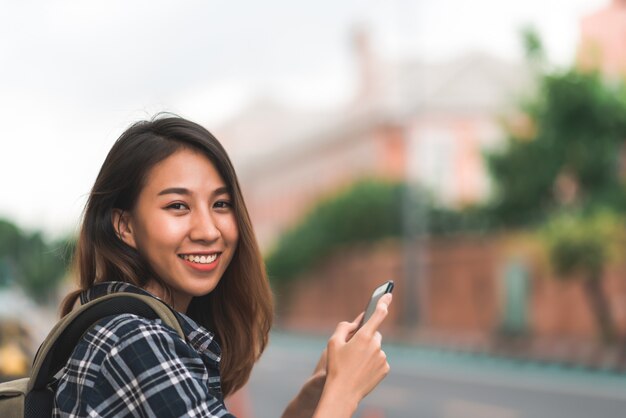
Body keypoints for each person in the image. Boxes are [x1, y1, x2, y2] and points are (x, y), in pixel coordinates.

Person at [52, 115, 393, 417]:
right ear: (124, 226)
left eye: (221, 204)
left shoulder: (138, 329)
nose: (208, 230)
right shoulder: (134, 340)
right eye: (178, 206)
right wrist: (344, 392)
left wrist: (313, 398)